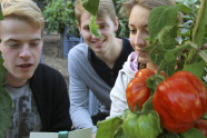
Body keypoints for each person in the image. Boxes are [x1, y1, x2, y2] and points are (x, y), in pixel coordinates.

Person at [0, 0, 72, 137]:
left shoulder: (52, 83)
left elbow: (61, 131)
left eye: (34, 44)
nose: (26, 54)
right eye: (14, 45)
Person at [68, 0, 133, 133]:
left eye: (102, 26)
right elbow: (78, 107)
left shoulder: (135, 53)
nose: (95, 35)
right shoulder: (78, 58)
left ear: (115, 24)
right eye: (88, 28)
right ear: (79, 28)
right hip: (108, 120)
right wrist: (92, 133)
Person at [108, 0, 175, 118]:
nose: (137, 41)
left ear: (170, 32)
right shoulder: (127, 75)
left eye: (148, 31)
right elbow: (116, 123)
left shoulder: (189, 68)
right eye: (133, 30)